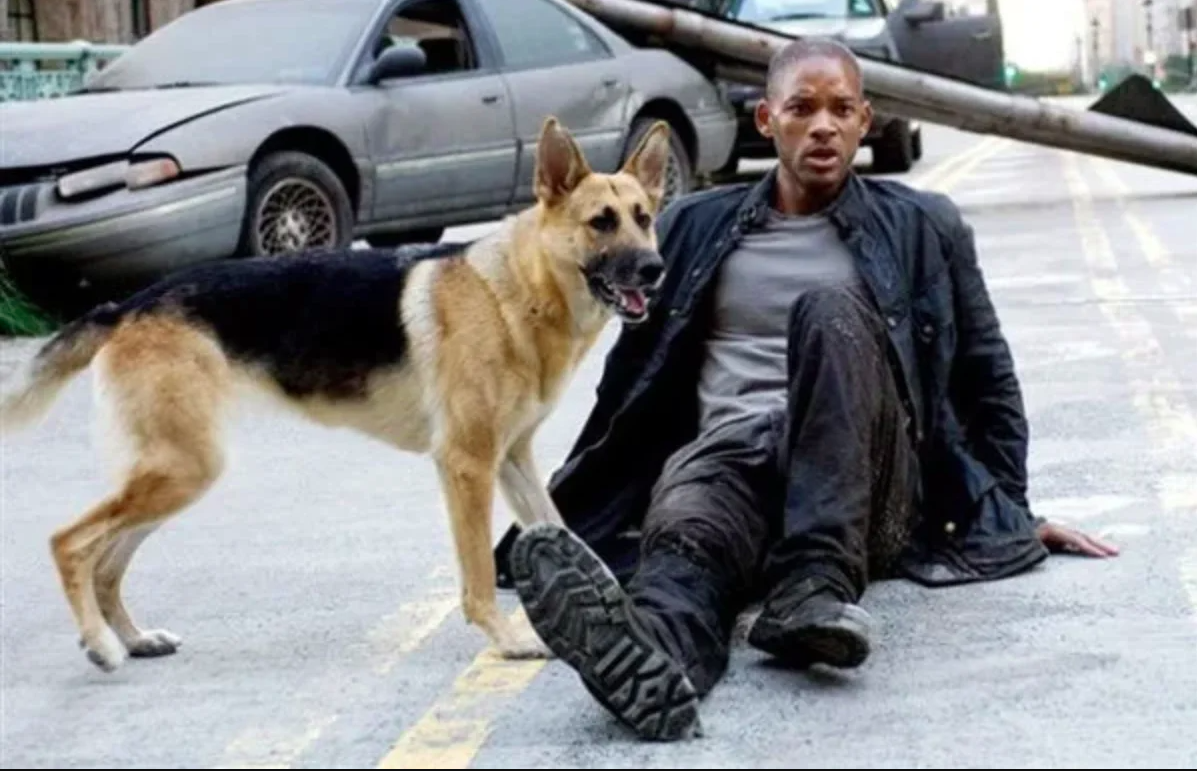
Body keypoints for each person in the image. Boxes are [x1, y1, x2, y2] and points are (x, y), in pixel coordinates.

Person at [493, 37, 1119, 742]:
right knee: (687, 551)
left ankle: (813, 586)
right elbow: (631, 386)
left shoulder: (922, 225)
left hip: (863, 483)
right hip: (729, 461)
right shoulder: (692, 227)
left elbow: (986, 374)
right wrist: (592, 500)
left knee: (825, 310)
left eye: (841, 110)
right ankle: (654, 658)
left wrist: (1005, 510)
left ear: (864, 121)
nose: (823, 125)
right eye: (802, 108)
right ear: (767, 119)